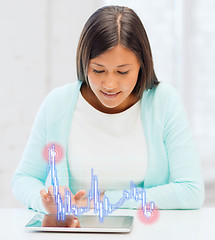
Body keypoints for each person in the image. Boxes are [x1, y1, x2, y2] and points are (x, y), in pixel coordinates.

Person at [12, 5, 204, 219]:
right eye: (98, 70)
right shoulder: (58, 104)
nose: (110, 84)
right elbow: (24, 179)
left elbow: (191, 191)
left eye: (123, 71)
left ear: (142, 64)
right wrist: (44, 201)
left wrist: (101, 200)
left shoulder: (164, 102)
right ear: (84, 62)